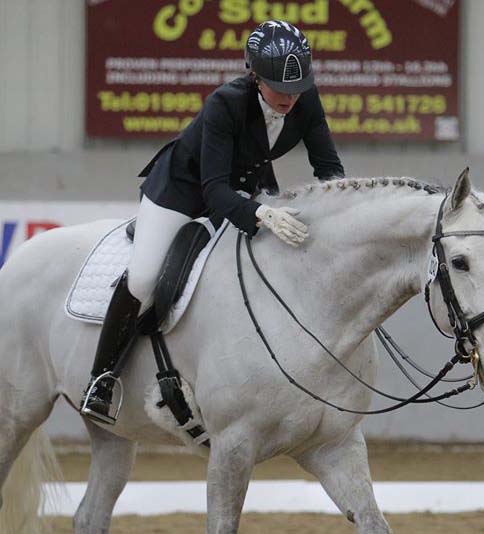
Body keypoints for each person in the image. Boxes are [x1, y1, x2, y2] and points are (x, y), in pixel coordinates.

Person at [80, 19, 345, 425]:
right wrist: (260, 213)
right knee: (145, 277)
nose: (290, 96)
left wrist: (343, 213)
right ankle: (101, 378)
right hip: (182, 190)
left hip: (247, 185)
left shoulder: (304, 98)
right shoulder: (226, 102)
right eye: (279, 86)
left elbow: (329, 169)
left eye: (297, 87)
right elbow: (214, 190)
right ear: (255, 76)